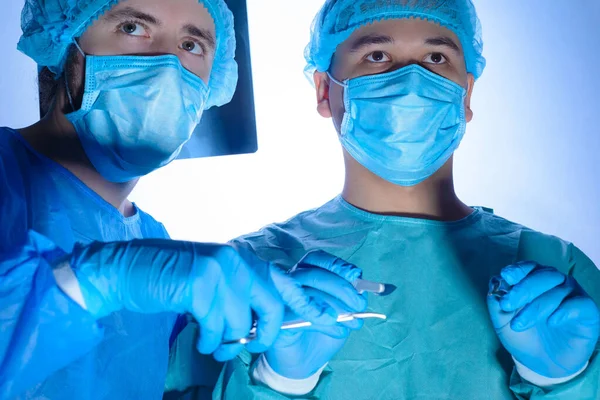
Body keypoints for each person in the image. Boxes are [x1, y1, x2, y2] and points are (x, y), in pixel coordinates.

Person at [211, 0, 600, 398]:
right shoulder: (246, 270)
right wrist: (280, 380)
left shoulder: (557, 270)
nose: (412, 81)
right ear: (326, 90)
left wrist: (563, 381)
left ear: (465, 94)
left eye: (436, 57)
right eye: (377, 56)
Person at [0, 0, 367, 398]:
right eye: (133, 28)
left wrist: (283, 377)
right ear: (65, 40)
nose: (168, 65)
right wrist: (92, 280)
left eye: (192, 45)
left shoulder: (156, 247)